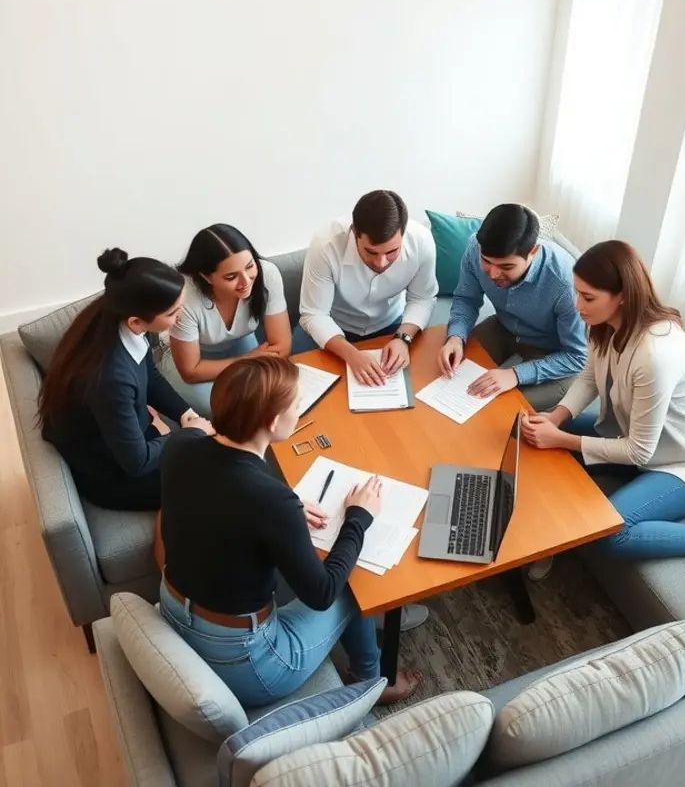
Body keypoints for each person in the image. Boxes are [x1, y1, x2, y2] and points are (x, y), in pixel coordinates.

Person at [158, 356, 423, 706]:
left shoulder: (179, 446)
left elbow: (221, 480)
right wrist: (358, 517)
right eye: (297, 404)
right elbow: (322, 592)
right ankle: (371, 685)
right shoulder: (271, 501)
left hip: (174, 609)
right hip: (248, 661)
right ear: (272, 422)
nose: (299, 410)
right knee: (351, 581)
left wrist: (287, 504)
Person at [522, 240, 685, 571]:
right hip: (634, 438)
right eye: (577, 293)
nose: (577, 305)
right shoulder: (605, 324)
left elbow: (638, 452)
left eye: (588, 297)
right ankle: (545, 530)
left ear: (623, 295)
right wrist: (556, 418)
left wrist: (561, 438)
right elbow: (590, 378)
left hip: (684, 463)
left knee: (611, 535)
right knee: (528, 430)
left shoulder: (656, 354)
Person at [39, 249, 214, 513]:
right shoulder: (110, 377)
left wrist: (184, 413)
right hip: (111, 472)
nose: (180, 316)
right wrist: (191, 433)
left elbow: (150, 375)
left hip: (123, 439)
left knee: (212, 454)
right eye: (173, 312)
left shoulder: (117, 319)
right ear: (135, 321)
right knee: (214, 476)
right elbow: (137, 462)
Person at [438, 204, 587, 410]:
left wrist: (515, 374)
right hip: (503, 327)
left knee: (497, 411)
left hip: (554, 353)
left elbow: (577, 357)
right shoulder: (474, 248)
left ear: (533, 252)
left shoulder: (565, 283)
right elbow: (466, 299)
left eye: (506, 266)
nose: (493, 274)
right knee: (446, 379)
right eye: (486, 261)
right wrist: (456, 335)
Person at [293, 190, 438, 386]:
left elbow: (423, 298)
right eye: (371, 252)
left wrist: (403, 338)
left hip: (391, 325)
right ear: (354, 233)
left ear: (403, 234)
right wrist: (351, 354)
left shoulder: (422, 241)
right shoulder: (325, 244)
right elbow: (314, 314)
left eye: (392, 251)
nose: (381, 263)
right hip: (332, 325)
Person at [161, 223, 292, 417]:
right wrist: (247, 360)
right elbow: (190, 371)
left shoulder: (268, 274)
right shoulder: (185, 297)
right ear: (206, 277)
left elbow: (281, 347)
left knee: (267, 395)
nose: (246, 281)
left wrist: (249, 361)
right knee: (222, 407)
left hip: (239, 344)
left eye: (250, 266)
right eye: (231, 277)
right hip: (192, 360)